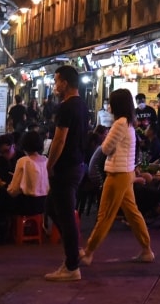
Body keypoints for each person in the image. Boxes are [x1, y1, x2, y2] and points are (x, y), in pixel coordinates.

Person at [78, 88, 154, 267]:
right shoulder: (129, 123)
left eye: (110, 102)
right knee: (132, 213)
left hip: (117, 174)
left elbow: (105, 148)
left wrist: (106, 140)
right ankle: (146, 250)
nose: (108, 106)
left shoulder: (119, 124)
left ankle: (89, 252)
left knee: (105, 215)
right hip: (125, 172)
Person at [44, 65, 89, 282]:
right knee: (52, 207)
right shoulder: (82, 105)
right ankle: (75, 249)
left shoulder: (67, 107)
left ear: (65, 83)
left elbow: (59, 139)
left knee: (66, 215)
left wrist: (49, 164)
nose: (55, 85)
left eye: (56, 81)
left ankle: (72, 266)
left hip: (66, 166)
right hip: (77, 164)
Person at [9, 129, 50, 215]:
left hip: (27, 205)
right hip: (45, 205)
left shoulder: (23, 161)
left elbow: (13, 190)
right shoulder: (47, 160)